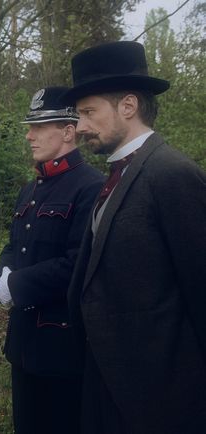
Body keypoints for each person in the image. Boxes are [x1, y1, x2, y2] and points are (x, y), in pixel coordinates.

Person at [62, 41, 206, 434]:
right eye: (78, 115)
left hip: (161, 398)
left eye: (89, 112)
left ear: (128, 106)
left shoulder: (172, 175)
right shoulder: (113, 178)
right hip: (107, 386)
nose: (81, 126)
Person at [0, 86, 104, 434]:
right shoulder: (31, 188)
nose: (29, 135)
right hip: (23, 345)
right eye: (30, 127)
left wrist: (16, 285)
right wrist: (2, 278)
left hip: (62, 348)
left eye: (39, 127)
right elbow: (12, 246)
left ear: (69, 132)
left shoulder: (92, 188)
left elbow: (78, 264)